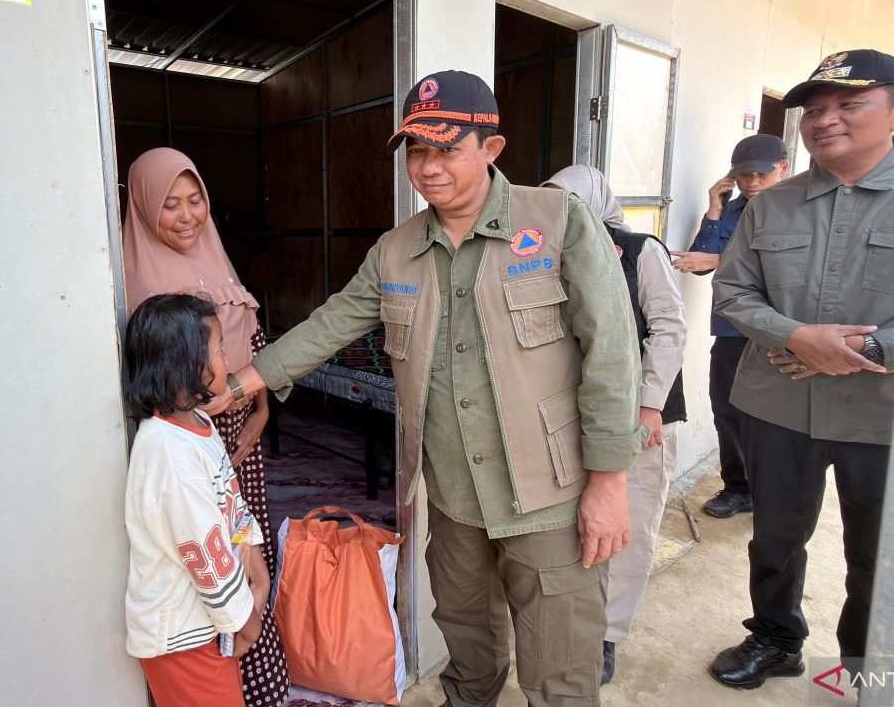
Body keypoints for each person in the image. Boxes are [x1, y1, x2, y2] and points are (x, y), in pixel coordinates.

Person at [215, 70, 648, 706]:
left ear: (491, 148)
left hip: (550, 494)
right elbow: (331, 322)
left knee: (559, 667)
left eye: (446, 149)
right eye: (417, 150)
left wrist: (609, 485)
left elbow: (613, 353)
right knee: (467, 648)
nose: (428, 167)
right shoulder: (395, 251)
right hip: (451, 495)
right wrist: (240, 382)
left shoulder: (557, 221)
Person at [709, 49, 894, 690]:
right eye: (814, 110)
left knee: (876, 551)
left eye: (850, 104)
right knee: (776, 536)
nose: (826, 120)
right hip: (778, 403)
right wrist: (795, 336)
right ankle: (776, 638)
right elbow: (732, 292)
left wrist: (870, 352)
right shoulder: (772, 204)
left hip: (882, 412)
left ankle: (869, 670)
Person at [121, 148, 290, 706]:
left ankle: (254, 679)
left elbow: (254, 348)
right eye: (169, 205)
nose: (187, 215)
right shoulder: (132, 284)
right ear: (144, 208)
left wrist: (259, 409)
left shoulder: (218, 261)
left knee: (246, 550)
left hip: (234, 443)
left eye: (196, 201)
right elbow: (199, 544)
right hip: (195, 447)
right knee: (209, 558)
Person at [544, 165, 687, 686]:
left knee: (632, 524)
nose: (563, 212)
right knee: (577, 527)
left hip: (642, 418)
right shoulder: (541, 254)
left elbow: (670, 328)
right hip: (574, 417)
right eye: (553, 202)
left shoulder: (640, 250)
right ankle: (574, 625)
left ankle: (606, 637)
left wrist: (649, 406)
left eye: (572, 202)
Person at [122, 294, 266, 707]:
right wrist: (244, 619)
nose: (226, 356)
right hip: (183, 639)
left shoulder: (197, 422)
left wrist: (253, 554)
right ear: (186, 366)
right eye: (219, 349)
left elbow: (228, 499)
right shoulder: (170, 455)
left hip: (209, 624)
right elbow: (203, 551)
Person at [671, 135, 789, 519]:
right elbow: (699, 262)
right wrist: (714, 209)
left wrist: (717, 259)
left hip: (781, 334)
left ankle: (775, 491)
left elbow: (782, 271)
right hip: (732, 330)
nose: (753, 182)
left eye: (761, 174)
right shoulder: (733, 210)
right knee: (727, 411)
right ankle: (739, 489)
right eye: (744, 176)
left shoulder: (798, 211)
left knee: (775, 419)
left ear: (783, 169)